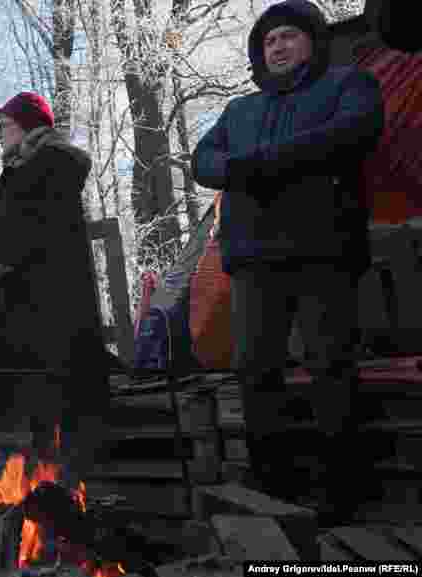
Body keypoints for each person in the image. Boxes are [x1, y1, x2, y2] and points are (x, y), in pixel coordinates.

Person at [191, 0, 384, 524]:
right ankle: (275, 490)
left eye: (288, 37)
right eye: (269, 40)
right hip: (254, 260)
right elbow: (203, 161)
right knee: (256, 371)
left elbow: (353, 132)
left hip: (325, 249)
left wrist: (256, 163)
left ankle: (343, 495)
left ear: (312, 42)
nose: (277, 47)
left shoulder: (347, 85)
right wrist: (258, 164)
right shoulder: (240, 111)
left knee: (330, 367)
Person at [0, 92, 108, 478]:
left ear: (29, 125)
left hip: (52, 294)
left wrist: (3, 260)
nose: (2, 133)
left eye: (7, 124)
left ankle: (69, 479)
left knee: (60, 387)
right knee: (35, 392)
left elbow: (42, 226)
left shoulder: (54, 163)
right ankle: (43, 477)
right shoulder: (19, 168)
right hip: (23, 292)